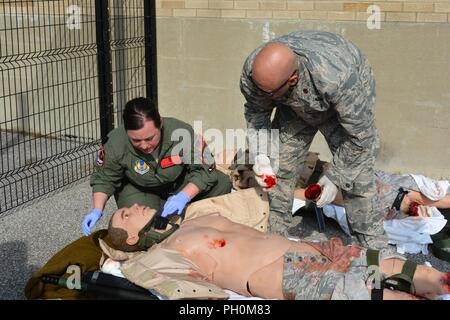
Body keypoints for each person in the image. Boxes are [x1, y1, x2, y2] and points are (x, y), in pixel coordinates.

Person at [107, 204, 450, 300]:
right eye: (126, 214)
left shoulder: (194, 213)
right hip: (272, 273)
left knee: (380, 264)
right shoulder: (163, 252)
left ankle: (440, 285)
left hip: (305, 248)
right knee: (366, 292)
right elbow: (154, 278)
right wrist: (117, 262)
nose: (133, 205)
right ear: (134, 237)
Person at [240, 30, 382, 248]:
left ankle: (373, 253)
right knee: (279, 167)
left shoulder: (339, 80)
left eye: (268, 94)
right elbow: (257, 112)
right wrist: (261, 153)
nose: (262, 96)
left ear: (293, 79)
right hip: (292, 104)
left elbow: (361, 138)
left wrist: (336, 176)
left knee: (358, 180)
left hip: (340, 106)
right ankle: (274, 240)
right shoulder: (254, 73)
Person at [82, 97, 232, 235]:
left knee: (222, 182)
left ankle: (181, 213)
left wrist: (184, 196)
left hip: (177, 184)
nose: (145, 145)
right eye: (136, 141)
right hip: (140, 189)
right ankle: (174, 216)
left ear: (160, 123)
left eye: (150, 138)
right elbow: (104, 179)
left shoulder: (182, 132)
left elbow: (206, 169)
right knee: (140, 229)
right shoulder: (115, 142)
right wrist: (96, 210)